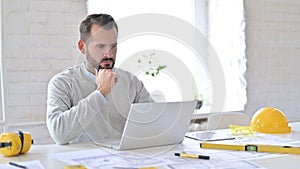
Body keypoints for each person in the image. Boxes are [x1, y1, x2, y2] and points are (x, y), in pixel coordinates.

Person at [46, 14, 153, 144]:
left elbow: (153, 121)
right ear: (82, 47)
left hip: (124, 159)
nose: (109, 54)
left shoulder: (131, 81)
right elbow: (59, 134)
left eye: (113, 46)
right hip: (82, 161)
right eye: (101, 46)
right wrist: (101, 92)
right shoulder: (62, 83)